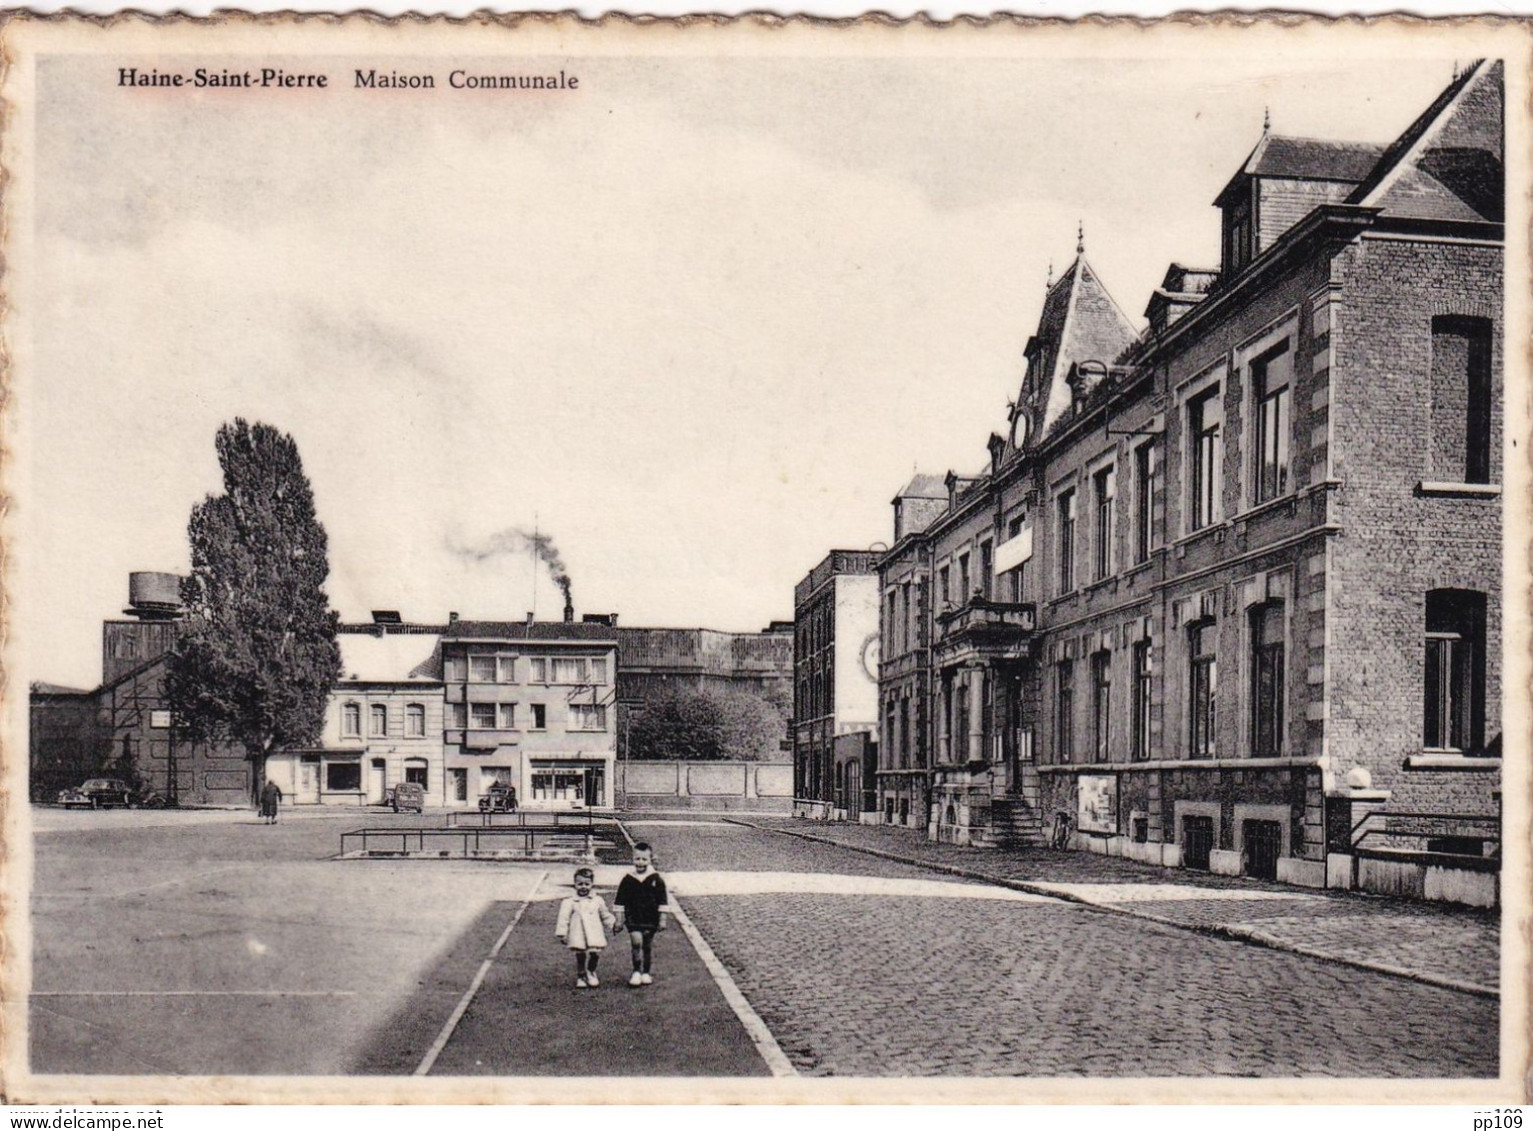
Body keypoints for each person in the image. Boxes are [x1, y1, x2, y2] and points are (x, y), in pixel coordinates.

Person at [613, 842, 669, 987]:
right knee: (636, 942)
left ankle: (646, 972)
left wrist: (663, 919)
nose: (640, 862)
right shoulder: (627, 879)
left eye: (644, 859)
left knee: (647, 945)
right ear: (632, 859)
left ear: (650, 860)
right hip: (633, 916)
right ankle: (636, 971)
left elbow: (663, 900)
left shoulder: (656, 879)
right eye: (637, 859)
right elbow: (620, 900)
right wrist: (619, 919)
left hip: (650, 917)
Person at [555, 866, 615, 988]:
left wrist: (613, 924)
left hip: (594, 932)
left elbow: (605, 914)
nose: (583, 887)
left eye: (587, 884)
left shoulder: (597, 900)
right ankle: (581, 975)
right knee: (580, 955)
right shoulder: (570, 902)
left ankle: (591, 972)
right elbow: (563, 918)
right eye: (580, 884)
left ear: (592, 884)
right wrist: (562, 933)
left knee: (595, 953)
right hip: (578, 933)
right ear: (575, 884)